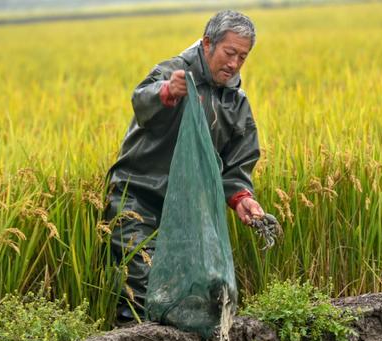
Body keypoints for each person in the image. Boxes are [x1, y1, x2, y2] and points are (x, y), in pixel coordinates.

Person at [104, 10, 265, 322]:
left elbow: (238, 161)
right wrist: (166, 92)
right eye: (229, 53)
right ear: (207, 44)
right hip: (138, 199)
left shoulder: (236, 103)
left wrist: (242, 198)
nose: (234, 64)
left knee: (196, 293)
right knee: (143, 287)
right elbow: (142, 100)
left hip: (189, 213)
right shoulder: (174, 73)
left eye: (242, 57)